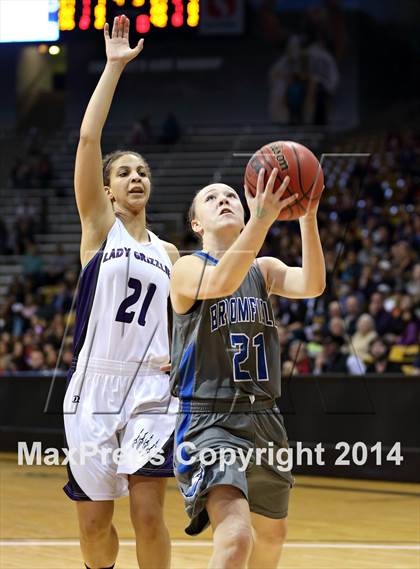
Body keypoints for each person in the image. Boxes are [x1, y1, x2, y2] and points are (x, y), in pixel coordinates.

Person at [62, 15, 179, 569]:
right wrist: (112, 68)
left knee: (150, 514)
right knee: (93, 527)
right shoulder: (97, 230)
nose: (135, 178)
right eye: (124, 172)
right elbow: (89, 138)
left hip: (152, 392)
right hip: (95, 385)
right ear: (107, 187)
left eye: (142, 172)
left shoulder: (169, 253)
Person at [170, 168, 326, 569]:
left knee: (272, 536)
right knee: (236, 535)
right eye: (211, 198)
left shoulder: (264, 269)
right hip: (210, 417)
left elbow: (312, 284)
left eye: (231, 196)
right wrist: (262, 219)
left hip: (265, 417)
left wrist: (306, 215)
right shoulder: (187, 268)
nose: (224, 199)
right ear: (196, 224)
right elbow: (221, 282)